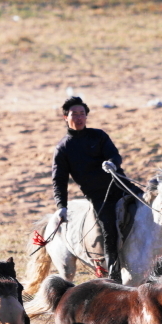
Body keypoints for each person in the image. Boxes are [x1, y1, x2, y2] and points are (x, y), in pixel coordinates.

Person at [51, 96, 127, 282]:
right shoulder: (63, 148)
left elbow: (115, 155)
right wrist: (61, 206)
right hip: (98, 195)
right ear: (65, 117)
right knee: (108, 227)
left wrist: (112, 163)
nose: (79, 117)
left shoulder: (99, 135)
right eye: (74, 114)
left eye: (82, 113)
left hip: (121, 185)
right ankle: (113, 273)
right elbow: (59, 180)